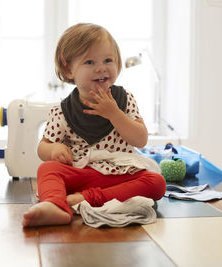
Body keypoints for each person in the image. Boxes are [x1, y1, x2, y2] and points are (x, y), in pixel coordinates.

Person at [22, 23, 166, 227]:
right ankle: (55, 206)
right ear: (68, 69)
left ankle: (87, 199)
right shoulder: (63, 111)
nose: (101, 68)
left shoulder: (125, 99)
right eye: (89, 62)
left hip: (120, 174)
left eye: (108, 60)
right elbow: (43, 147)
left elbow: (140, 140)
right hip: (82, 173)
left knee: (157, 183)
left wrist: (115, 114)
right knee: (47, 169)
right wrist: (54, 149)